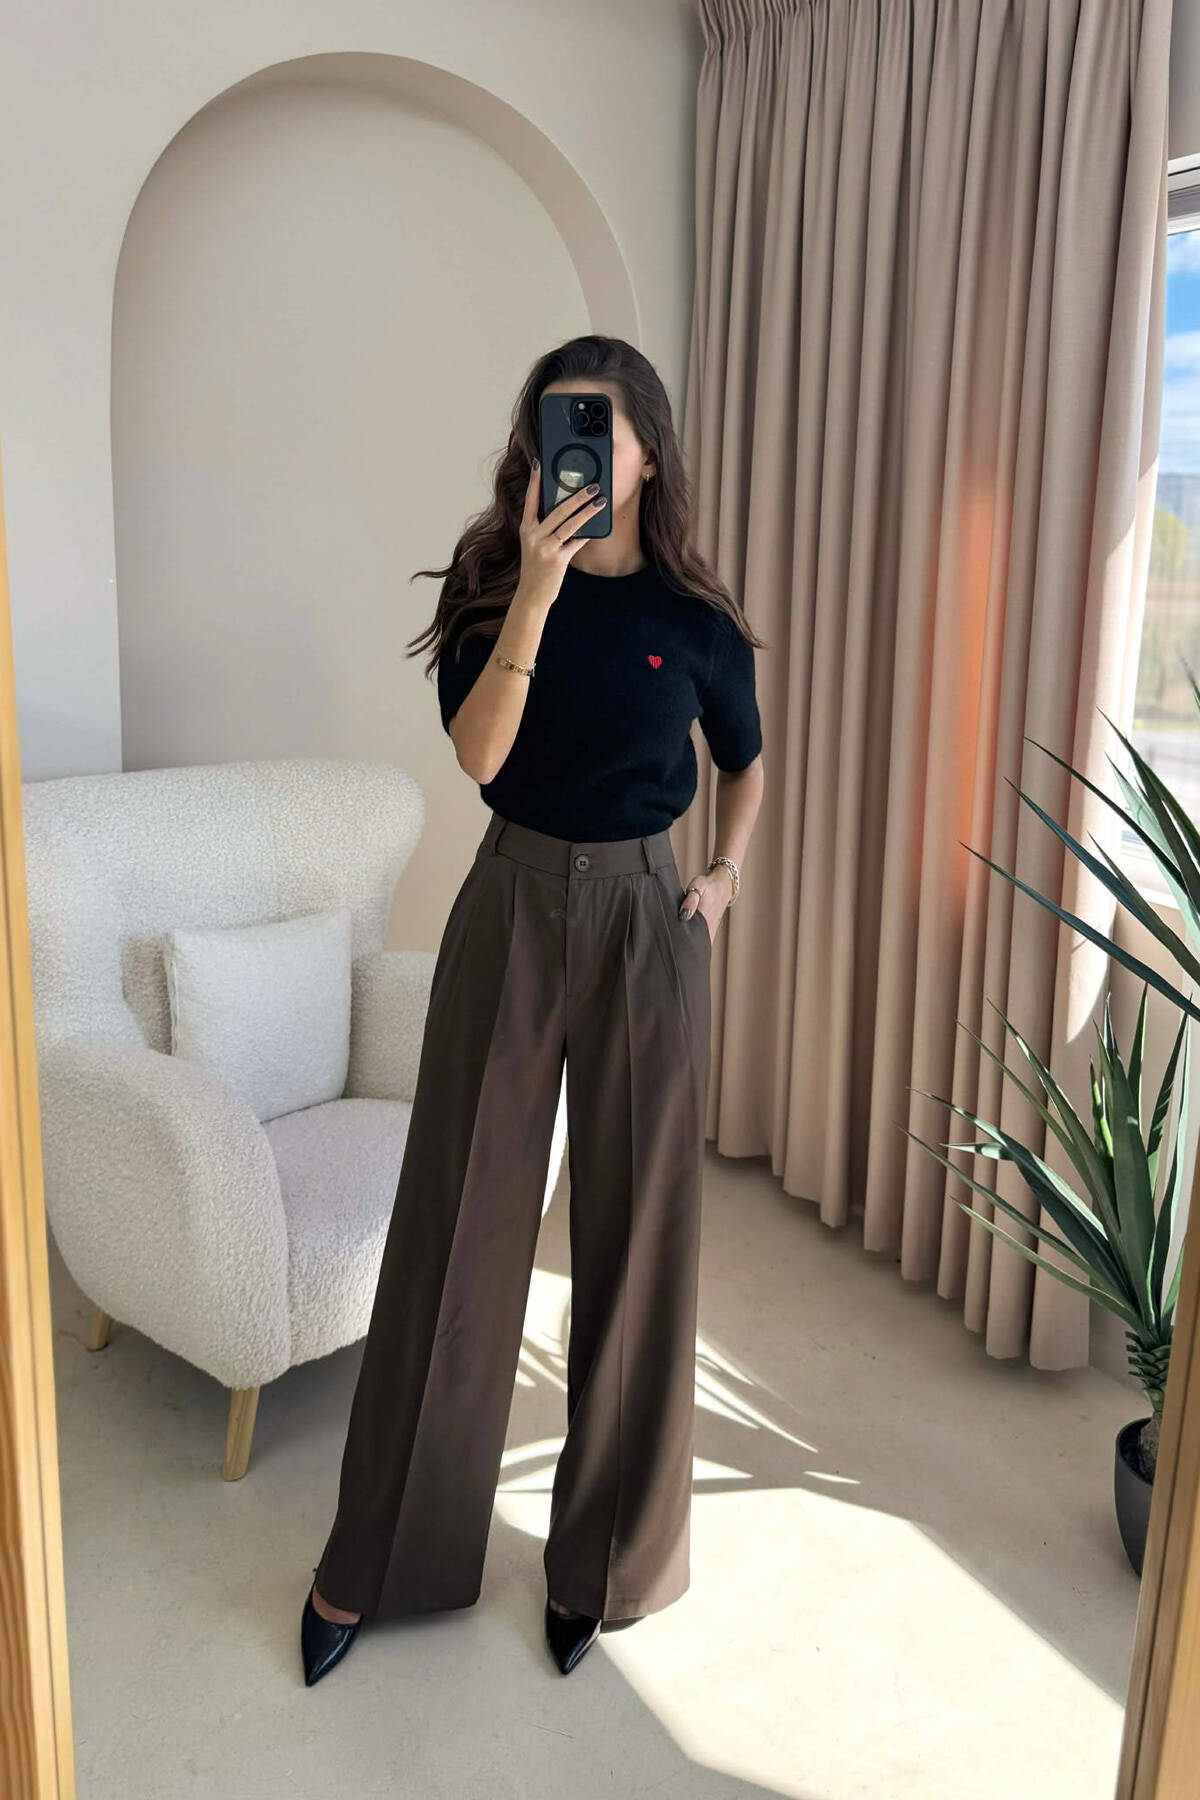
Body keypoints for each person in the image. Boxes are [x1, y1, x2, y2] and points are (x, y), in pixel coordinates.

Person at [300, 335, 765, 1685]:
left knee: (637, 1242)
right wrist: (541, 592)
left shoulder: (696, 623)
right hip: (508, 906)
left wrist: (725, 878)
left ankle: (603, 1565)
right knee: (457, 1227)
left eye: (604, 427)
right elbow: (481, 757)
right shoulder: (493, 588)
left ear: (648, 453)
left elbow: (744, 759)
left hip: (647, 924)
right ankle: (383, 1559)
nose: (580, 450)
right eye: (560, 425)